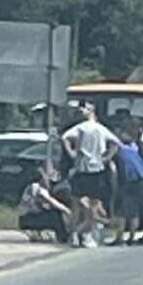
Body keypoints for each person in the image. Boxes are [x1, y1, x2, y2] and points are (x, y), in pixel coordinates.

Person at [60, 103, 119, 248]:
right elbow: (116, 143)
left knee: (76, 204)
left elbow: (65, 138)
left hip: (81, 169)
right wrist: (107, 158)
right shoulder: (100, 129)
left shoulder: (80, 128)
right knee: (93, 205)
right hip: (96, 169)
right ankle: (86, 235)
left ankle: (74, 234)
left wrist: (72, 153)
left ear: (91, 112)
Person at [108, 123, 143, 246]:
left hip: (129, 181)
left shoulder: (119, 150)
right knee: (134, 211)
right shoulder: (134, 148)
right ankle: (132, 238)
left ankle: (120, 238)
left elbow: (113, 167)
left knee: (123, 211)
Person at [17, 167, 72, 243]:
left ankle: (58, 235)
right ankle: (63, 237)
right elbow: (51, 201)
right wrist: (66, 210)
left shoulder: (29, 187)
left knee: (51, 212)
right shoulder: (37, 187)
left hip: (24, 219)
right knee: (55, 215)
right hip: (29, 219)